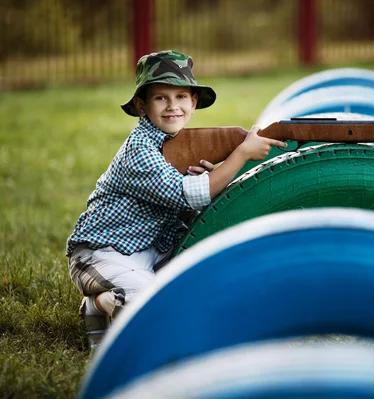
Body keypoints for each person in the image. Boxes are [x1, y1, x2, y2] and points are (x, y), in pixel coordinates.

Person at [65, 50, 285, 350]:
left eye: (181, 96)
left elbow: (193, 202)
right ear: (142, 106)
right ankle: (101, 304)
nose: (173, 106)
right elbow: (186, 193)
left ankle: (111, 303)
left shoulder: (176, 146)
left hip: (152, 253)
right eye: (160, 98)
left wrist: (210, 176)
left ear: (193, 103)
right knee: (144, 301)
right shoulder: (139, 150)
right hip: (100, 254)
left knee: (196, 284)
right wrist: (242, 154)